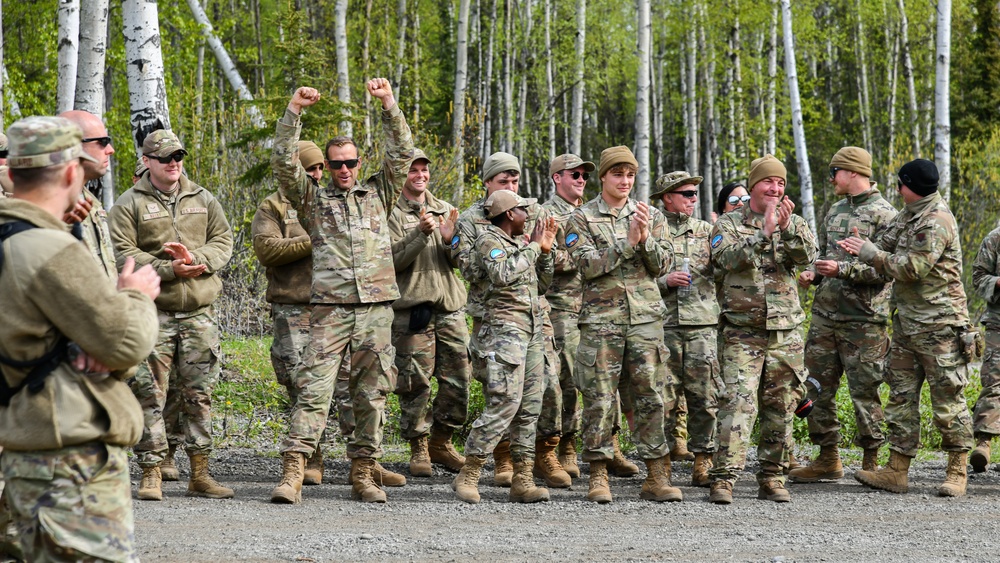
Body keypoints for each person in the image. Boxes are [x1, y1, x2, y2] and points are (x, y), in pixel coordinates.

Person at [0, 115, 160, 562]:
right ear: (73, 171)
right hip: (68, 459)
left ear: (12, 173)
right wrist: (136, 297)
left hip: (27, 440)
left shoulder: (16, 238)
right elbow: (124, 343)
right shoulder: (49, 251)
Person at [269, 81, 414, 504]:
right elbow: (283, 162)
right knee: (314, 390)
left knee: (371, 394)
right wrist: (294, 110)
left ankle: (364, 473)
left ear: (359, 161)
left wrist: (389, 104)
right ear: (326, 167)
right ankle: (294, 471)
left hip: (374, 310)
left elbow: (402, 153)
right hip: (330, 312)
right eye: (337, 164)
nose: (345, 169)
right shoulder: (313, 201)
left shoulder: (378, 194)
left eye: (350, 162)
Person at [109, 128, 235, 502]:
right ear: (147, 161)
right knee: (151, 395)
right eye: (165, 159)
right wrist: (168, 270)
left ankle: (200, 473)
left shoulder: (203, 197)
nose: (174, 164)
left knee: (199, 394)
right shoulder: (128, 203)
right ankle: (151, 472)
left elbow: (223, 240)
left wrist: (196, 260)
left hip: (199, 313)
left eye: (178, 157)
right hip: (154, 312)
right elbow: (122, 254)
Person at [840, 158, 975, 497]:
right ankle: (897, 470)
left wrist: (870, 254)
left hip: (940, 326)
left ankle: (957, 470)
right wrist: (863, 246)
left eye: (901, 184)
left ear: (910, 186)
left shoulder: (936, 220)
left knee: (948, 400)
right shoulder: (908, 214)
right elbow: (886, 243)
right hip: (907, 326)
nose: (897, 189)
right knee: (900, 398)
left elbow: (914, 267)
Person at [564, 146, 679, 504]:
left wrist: (645, 240)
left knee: (652, 396)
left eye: (630, 175)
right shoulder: (581, 218)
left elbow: (663, 265)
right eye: (618, 174)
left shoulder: (650, 215)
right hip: (602, 321)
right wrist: (627, 244)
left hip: (645, 319)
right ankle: (598, 474)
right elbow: (586, 266)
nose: (625, 181)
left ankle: (657, 475)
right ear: (603, 177)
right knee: (599, 398)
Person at [452, 152, 568, 487]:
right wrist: (533, 247)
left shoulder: (520, 239)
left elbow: (542, 283)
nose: (527, 213)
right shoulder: (488, 235)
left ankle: (524, 477)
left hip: (532, 325)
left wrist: (543, 252)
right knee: (504, 400)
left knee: (534, 400)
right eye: (520, 207)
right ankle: (472, 471)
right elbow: (497, 272)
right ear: (507, 213)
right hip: (502, 326)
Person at [708, 154, 818, 505]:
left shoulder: (794, 222)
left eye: (781, 183)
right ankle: (723, 479)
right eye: (768, 181)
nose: (775, 187)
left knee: (782, 407)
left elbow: (807, 258)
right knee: (737, 406)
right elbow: (722, 260)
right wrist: (762, 235)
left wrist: (785, 230)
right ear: (753, 185)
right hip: (743, 332)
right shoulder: (728, 223)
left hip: (785, 333)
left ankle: (772, 477)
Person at [791, 147, 896, 483]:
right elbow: (827, 256)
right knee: (815, 386)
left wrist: (843, 270)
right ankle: (828, 458)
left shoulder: (886, 216)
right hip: (825, 314)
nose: (831, 178)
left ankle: (871, 462)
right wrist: (816, 273)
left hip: (863, 320)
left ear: (851, 172)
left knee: (865, 390)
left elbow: (885, 272)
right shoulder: (835, 209)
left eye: (834, 170)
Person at [388, 149, 470, 476]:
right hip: (412, 310)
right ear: (401, 175)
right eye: (413, 170)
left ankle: (442, 441)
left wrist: (452, 242)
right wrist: (420, 234)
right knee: (414, 383)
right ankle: (418, 446)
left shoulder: (446, 209)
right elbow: (392, 262)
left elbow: (461, 261)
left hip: (449, 308)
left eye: (424, 169)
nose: (420, 175)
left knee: (459, 381)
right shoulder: (389, 213)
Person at [652, 171, 720, 488]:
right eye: (687, 194)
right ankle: (661, 467)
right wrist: (665, 282)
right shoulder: (650, 230)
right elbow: (630, 280)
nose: (693, 199)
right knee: (661, 398)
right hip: (661, 324)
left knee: (704, 397)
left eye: (695, 194)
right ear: (667, 197)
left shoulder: (709, 232)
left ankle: (703, 462)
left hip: (702, 325)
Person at [540, 154, 594, 479]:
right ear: (557, 178)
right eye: (574, 174)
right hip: (561, 307)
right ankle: (564, 446)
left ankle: (606, 445)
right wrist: (583, 258)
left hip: (595, 307)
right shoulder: (546, 214)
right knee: (566, 380)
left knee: (595, 379)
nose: (581, 179)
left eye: (585, 175)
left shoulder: (590, 213)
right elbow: (545, 254)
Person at [971, 227, 1000, 473]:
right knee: (993, 381)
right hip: (998, 323)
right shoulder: (995, 237)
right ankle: (984, 443)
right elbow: (978, 277)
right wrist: (997, 281)